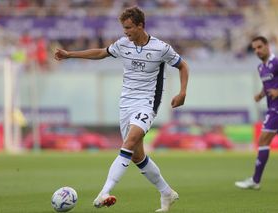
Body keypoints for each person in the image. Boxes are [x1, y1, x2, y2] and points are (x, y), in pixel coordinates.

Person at [54, 6, 189, 212]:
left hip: (147, 103)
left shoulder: (161, 48)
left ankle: (105, 191)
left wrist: (182, 92)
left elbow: (183, 66)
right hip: (126, 104)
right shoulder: (123, 44)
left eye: (129, 28)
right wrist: (69, 54)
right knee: (136, 156)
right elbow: (101, 52)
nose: (125, 32)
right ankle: (167, 192)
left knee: (129, 143)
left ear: (140, 26)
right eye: (123, 28)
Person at [235, 36, 278, 189]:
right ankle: (255, 180)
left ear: (267, 46)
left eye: (259, 47)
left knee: (263, 140)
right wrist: (261, 95)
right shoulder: (261, 68)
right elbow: (268, 86)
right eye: (254, 49)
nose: (257, 51)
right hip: (276, 108)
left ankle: (255, 181)